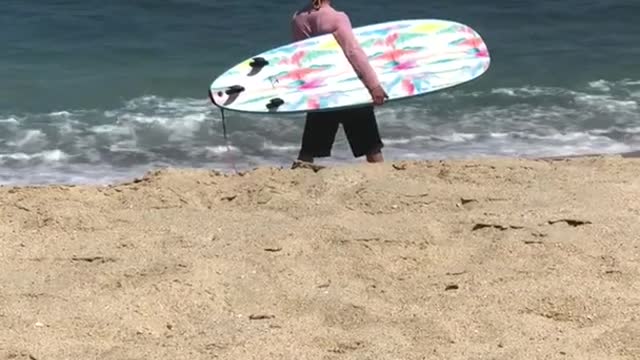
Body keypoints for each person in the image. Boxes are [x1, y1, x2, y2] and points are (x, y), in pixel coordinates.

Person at [291, 0, 388, 169]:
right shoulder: (337, 18)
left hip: (321, 91)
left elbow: (302, 56)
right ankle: (382, 181)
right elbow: (353, 52)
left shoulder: (297, 19)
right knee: (371, 147)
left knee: (309, 148)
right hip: (348, 89)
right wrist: (374, 86)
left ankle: (294, 181)